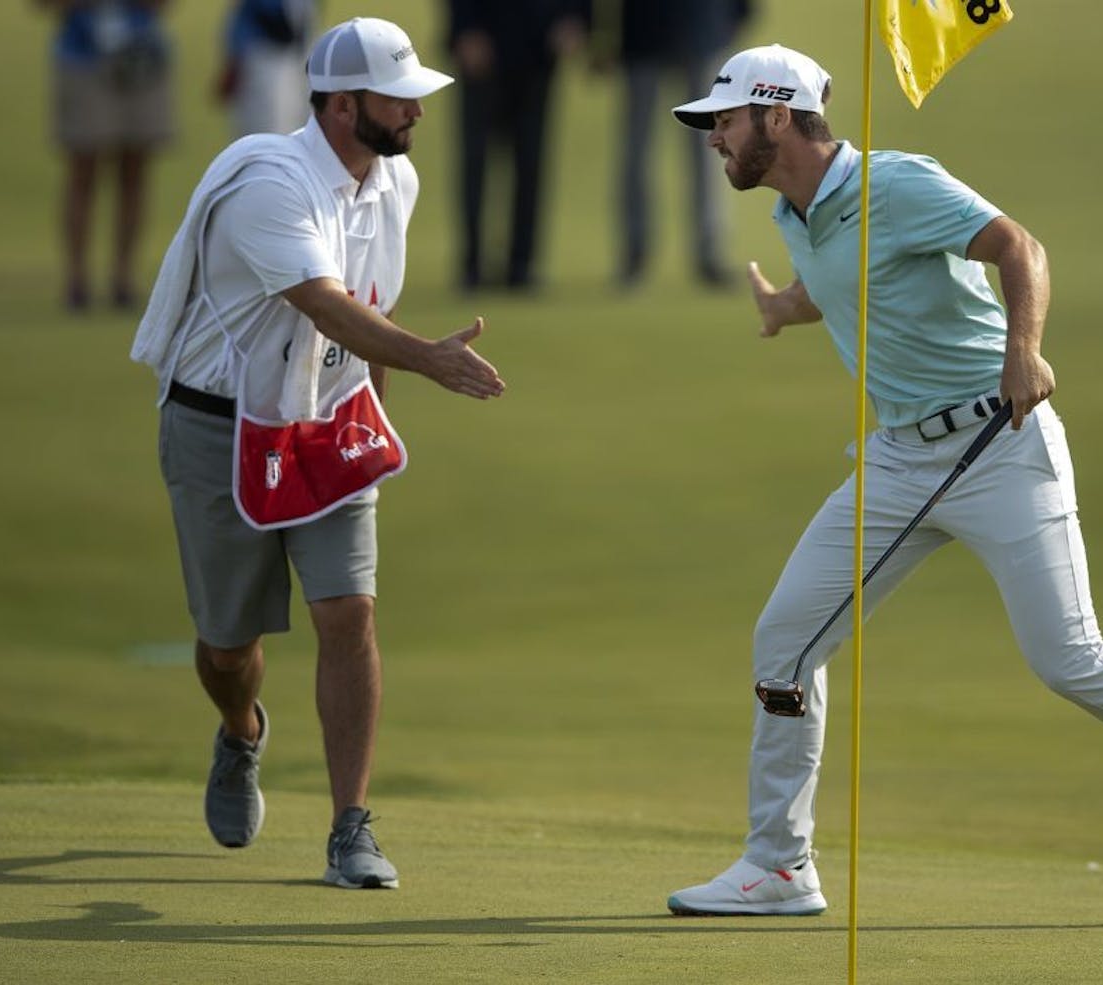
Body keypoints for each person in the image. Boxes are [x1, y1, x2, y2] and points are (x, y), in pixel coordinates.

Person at [664, 44, 1103, 915]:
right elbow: (853, 274)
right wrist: (791, 304)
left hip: (998, 441)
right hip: (898, 461)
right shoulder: (791, 212)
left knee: (1068, 657)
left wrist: (1023, 351)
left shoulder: (898, 183)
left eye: (725, 120)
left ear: (776, 116)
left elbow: (1019, 245)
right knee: (783, 644)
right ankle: (780, 864)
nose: (713, 138)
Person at [129, 17, 506, 889]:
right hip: (219, 425)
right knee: (228, 644)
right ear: (342, 106)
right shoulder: (271, 182)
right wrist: (430, 359)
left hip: (328, 415)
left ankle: (350, 827)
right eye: (397, 98)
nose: (415, 113)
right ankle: (240, 731)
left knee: (350, 613)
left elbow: (365, 308)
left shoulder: (395, 180)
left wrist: (378, 388)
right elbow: (325, 303)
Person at [38, 0, 174, 311]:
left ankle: (123, 278)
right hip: (82, 59)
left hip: (142, 59)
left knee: (134, 171)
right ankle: (76, 280)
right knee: (82, 169)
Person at [445, 0, 590, 291]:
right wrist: (464, 28)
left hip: (538, 50)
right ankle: (472, 264)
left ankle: (522, 265)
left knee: (531, 165)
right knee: (475, 165)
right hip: (482, 45)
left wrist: (576, 18)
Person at [608, 0, 751, 287]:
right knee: (636, 152)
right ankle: (635, 252)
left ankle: (709, 253)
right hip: (643, 33)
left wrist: (739, 13)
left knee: (710, 147)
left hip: (702, 29)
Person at [215, 0, 319, 137]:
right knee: (267, 134)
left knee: (309, 130)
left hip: (302, 54)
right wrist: (235, 61)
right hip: (265, 55)